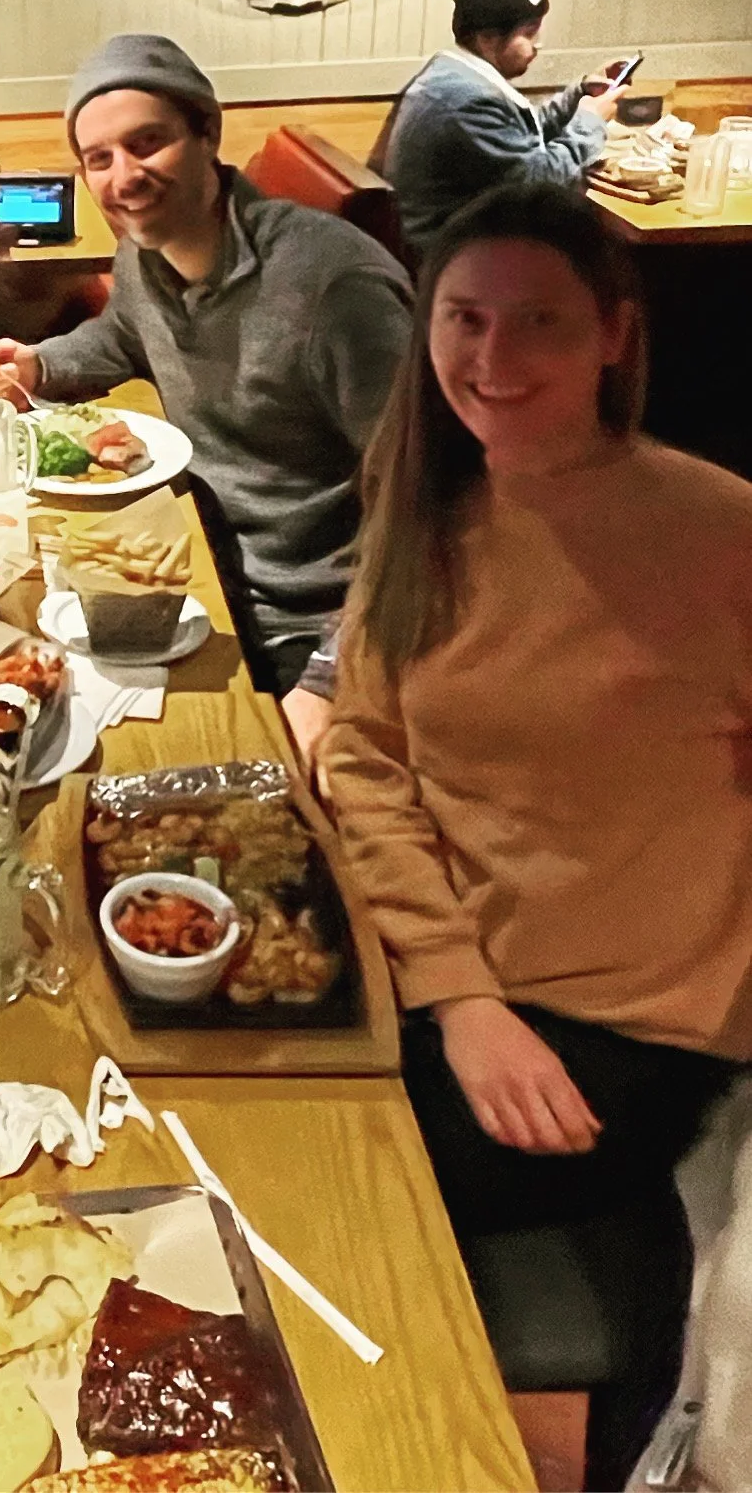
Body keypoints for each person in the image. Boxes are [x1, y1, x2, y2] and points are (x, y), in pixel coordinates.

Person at [319, 183, 752, 1489]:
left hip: (635, 1017)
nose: (491, 361)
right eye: (463, 319)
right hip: (457, 984)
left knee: (338, 1192)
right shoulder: (426, 504)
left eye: (537, 324)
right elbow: (362, 755)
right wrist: (459, 994)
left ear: (614, 334)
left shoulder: (717, 533)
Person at [0, 34, 412, 744]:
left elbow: (428, 507)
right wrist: (35, 365)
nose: (124, 176)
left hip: (307, 619)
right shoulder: (148, 250)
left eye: (148, 144)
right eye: (99, 159)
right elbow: (120, 338)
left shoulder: (334, 288)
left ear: (209, 134)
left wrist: (330, 676)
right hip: (198, 569)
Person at [376, 0, 629, 255]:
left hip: (457, 243)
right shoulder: (467, 101)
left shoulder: (453, 74)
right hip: (449, 260)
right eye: (529, 34)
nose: (538, 45)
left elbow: (522, 130)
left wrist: (579, 94)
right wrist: (590, 122)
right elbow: (540, 188)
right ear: (487, 38)